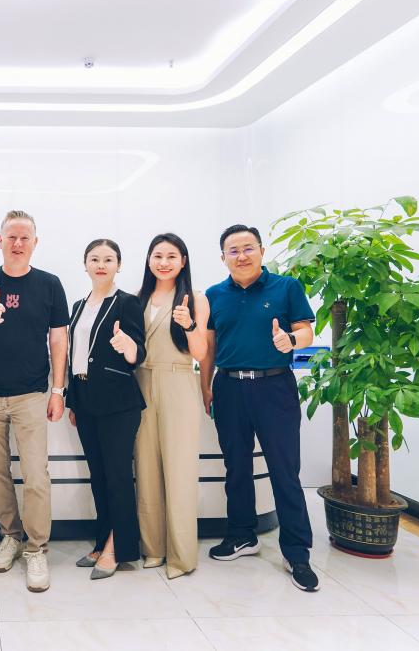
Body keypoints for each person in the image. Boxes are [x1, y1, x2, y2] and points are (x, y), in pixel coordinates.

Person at [199, 224, 320, 592]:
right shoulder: (214, 294)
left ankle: (296, 552)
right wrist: (206, 386)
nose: (242, 256)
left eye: (248, 248)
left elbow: (306, 331)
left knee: (285, 470)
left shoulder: (286, 287)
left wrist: (290, 340)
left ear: (262, 251)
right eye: (233, 251)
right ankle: (242, 535)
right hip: (229, 387)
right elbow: (210, 346)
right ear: (223, 257)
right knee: (236, 467)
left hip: (274, 387)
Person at [0, 210, 69, 593]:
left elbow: (59, 339)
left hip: (32, 395)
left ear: (35, 243)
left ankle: (36, 549)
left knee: (36, 475)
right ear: (0, 241)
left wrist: (58, 390)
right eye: (12, 237)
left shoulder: (50, 284)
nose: (18, 243)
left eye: (25, 237)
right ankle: (10, 535)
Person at [66, 239, 145, 580]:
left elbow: (139, 352)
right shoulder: (78, 305)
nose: (101, 265)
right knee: (98, 476)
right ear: (85, 264)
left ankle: (119, 548)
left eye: (108, 259)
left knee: (117, 477)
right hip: (85, 400)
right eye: (95, 259)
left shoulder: (127, 302)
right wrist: (73, 401)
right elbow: (75, 356)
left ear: (118, 265)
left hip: (118, 403)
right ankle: (102, 541)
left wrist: (127, 346)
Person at [134, 233, 209, 579]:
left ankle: (181, 556)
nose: (164, 262)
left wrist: (189, 325)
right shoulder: (138, 297)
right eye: (158, 255)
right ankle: (153, 549)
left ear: (183, 261)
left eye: (171, 256)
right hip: (141, 384)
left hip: (179, 382)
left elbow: (200, 352)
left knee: (179, 472)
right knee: (146, 468)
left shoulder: (195, 298)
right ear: (149, 259)